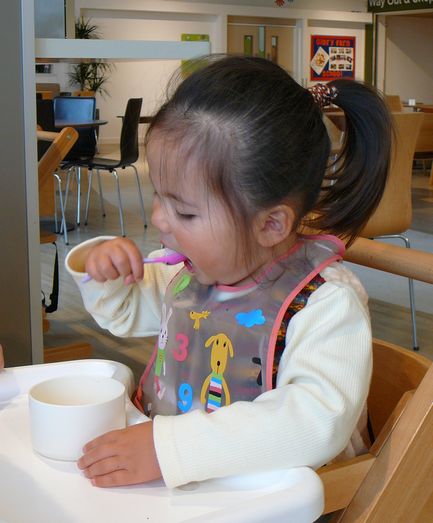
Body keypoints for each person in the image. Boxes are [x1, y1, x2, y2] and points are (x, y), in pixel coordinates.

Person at [66, 55, 392, 489]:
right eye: (160, 196)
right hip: (199, 493)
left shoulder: (324, 304)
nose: (159, 219)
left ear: (270, 224)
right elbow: (122, 314)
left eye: (185, 211)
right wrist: (104, 269)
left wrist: (169, 449)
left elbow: (314, 422)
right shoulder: (188, 276)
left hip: (291, 504)